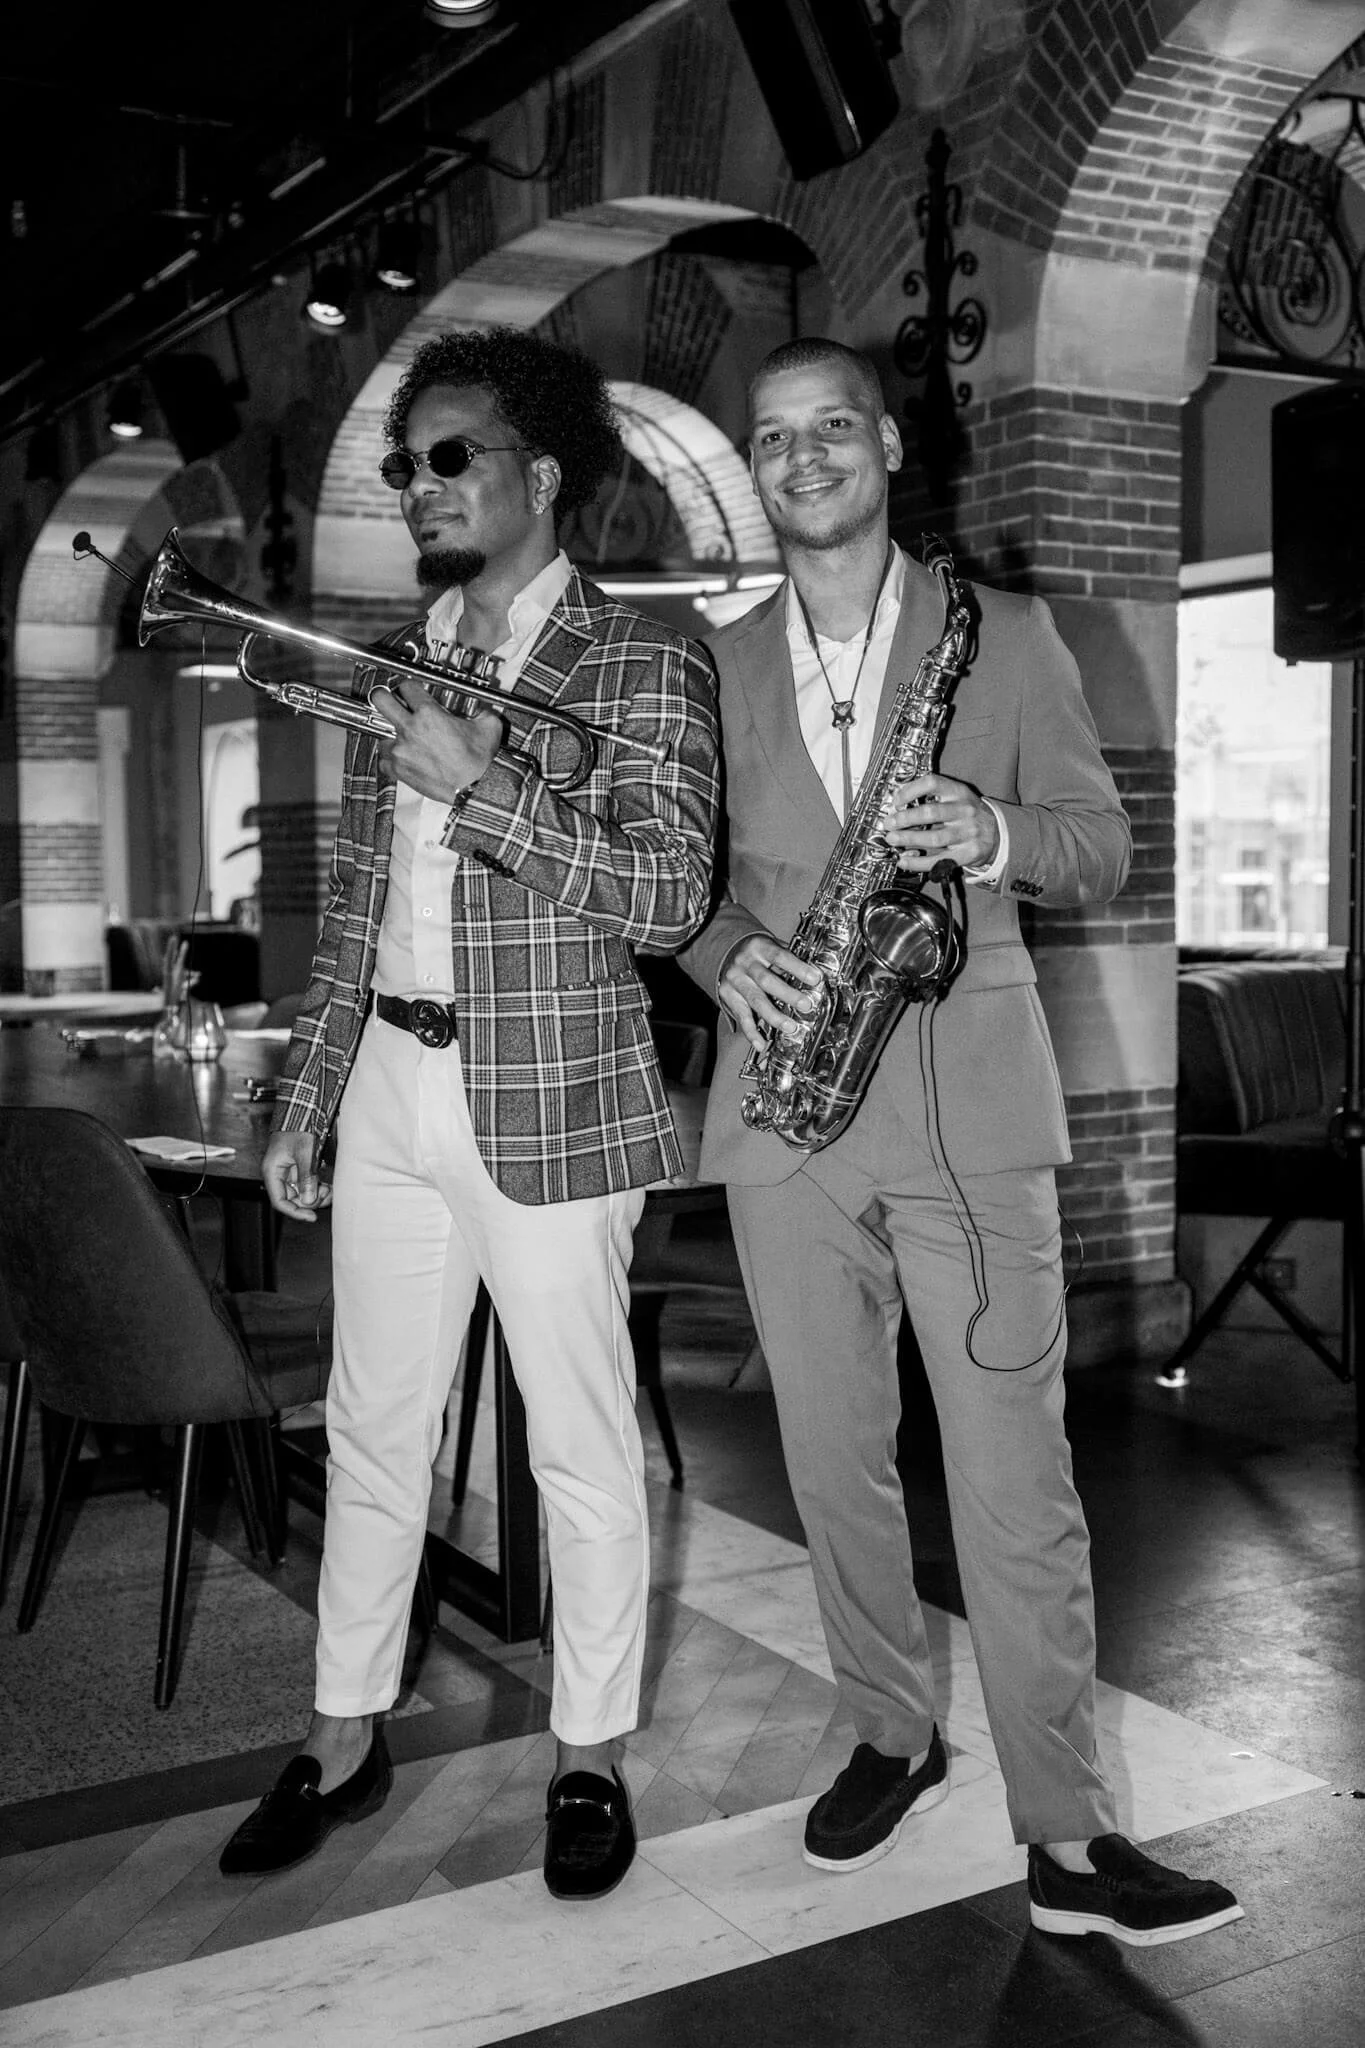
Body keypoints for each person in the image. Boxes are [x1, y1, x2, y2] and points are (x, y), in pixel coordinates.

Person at [678, 337, 1241, 1947]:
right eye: (773, 438)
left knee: (1014, 1481)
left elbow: (1105, 848)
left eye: (830, 427)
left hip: (972, 1113)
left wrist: (991, 830)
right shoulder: (709, 667)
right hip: (790, 1106)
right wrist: (730, 958)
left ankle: (1066, 1836)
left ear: (888, 443)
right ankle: (888, 1728)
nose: (803, 458)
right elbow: (673, 884)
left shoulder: (1004, 639)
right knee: (829, 1462)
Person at [219, 327, 720, 1901]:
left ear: (543, 475)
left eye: (450, 457)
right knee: (373, 1423)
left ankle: (587, 1756)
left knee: (579, 1443)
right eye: (405, 464)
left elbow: (667, 890)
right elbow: (357, 906)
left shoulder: (649, 659)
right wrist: (310, 1090)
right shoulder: (396, 659)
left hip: (554, 1091)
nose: (417, 486)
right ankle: (344, 1731)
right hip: (388, 1084)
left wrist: (486, 789)